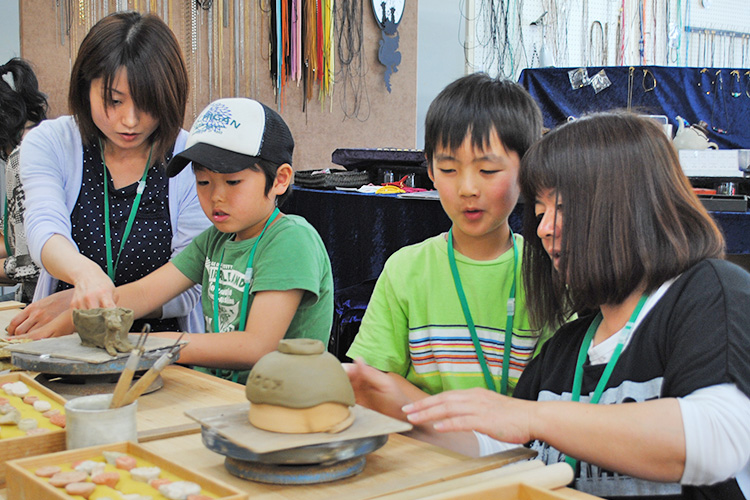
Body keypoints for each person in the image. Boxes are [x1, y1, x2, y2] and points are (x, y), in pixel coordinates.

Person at [402, 112, 750, 499]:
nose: (544, 228)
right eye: (540, 211)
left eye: (564, 206)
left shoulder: (709, 293)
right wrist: (395, 412)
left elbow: (720, 439)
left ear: (630, 203)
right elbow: (504, 450)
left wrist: (533, 416)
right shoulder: (569, 346)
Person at [31, 97, 334, 384]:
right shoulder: (214, 241)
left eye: (232, 182)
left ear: (280, 179)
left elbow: (255, 346)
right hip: (221, 395)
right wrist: (81, 317)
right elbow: (145, 293)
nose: (215, 196)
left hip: (284, 404)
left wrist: (142, 343)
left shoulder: (291, 239)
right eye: (203, 182)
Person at [345, 73, 549, 420]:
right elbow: (372, 379)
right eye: (449, 169)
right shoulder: (407, 269)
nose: (467, 188)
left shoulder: (547, 274)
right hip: (425, 453)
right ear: (430, 169)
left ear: (527, 169)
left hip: (520, 459)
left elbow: (558, 397)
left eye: (487, 170)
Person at [8, 11, 210, 336]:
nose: (129, 120)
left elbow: (187, 287)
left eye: (146, 104)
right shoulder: (52, 143)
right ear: (85, 88)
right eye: (113, 101)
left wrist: (91, 302)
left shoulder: (191, 159)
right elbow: (43, 227)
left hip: (160, 349)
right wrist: (84, 274)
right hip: (65, 342)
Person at [0, 57, 48, 302]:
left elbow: (31, 267)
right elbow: (16, 240)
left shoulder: (20, 159)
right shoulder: (42, 138)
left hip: (45, 301)